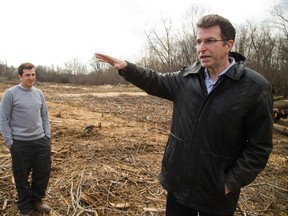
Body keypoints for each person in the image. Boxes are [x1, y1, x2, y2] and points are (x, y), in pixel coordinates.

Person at [95, 14, 273, 216]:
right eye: (198, 42)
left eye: (210, 41)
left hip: (217, 195)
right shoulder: (187, 78)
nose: (201, 48)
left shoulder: (254, 88)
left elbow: (259, 148)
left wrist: (229, 183)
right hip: (178, 185)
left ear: (228, 45)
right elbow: (155, 81)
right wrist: (127, 68)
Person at [0, 63, 51, 216]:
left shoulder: (39, 93)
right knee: (21, 175)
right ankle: (24, 205)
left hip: (41, 140)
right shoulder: (11, 94)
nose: (31, 78)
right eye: (27, 75)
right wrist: (9, 142)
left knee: (43, 172)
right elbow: (3, 119)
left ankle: (37, 201)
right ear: (20, 76)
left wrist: (46, 136)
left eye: (33, 74)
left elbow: (45, 117)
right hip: (20, 143)